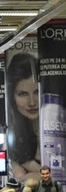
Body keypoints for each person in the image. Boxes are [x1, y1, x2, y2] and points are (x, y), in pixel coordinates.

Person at [6, 53, 40, 181]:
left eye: (37, 92)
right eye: (23, 94)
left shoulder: (62, 127)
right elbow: (20, 178)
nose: (32, 102)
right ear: (12, 97)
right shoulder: (13, 136)